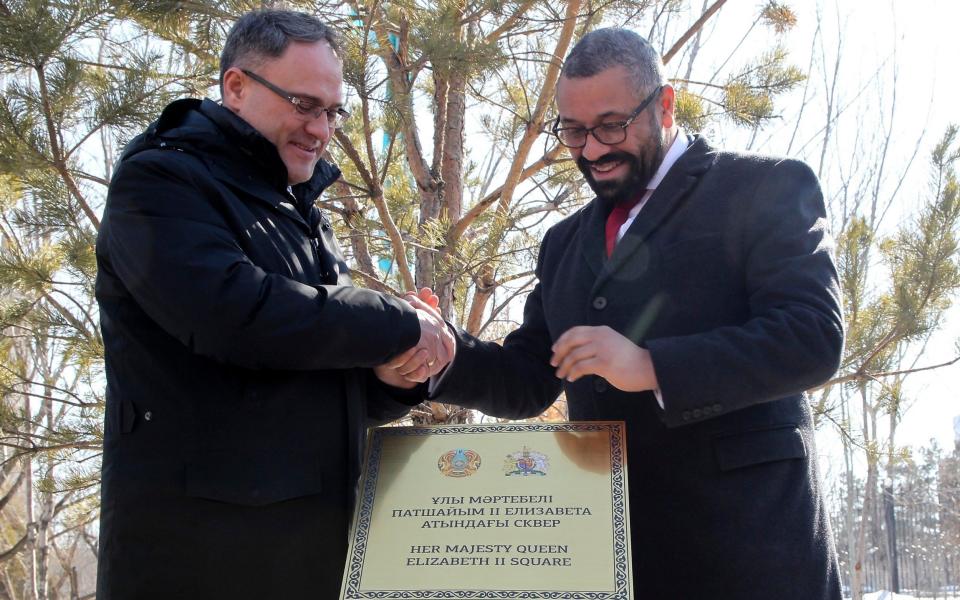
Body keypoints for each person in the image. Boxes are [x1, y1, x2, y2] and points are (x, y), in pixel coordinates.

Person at [418, 28, 845, 598]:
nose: (591, 149)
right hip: (614, 561)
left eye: (612, 125)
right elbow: (528, 377)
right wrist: (442, 357)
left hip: (750, 555)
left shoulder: (765, 186)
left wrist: (650, 365)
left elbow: (813, 335)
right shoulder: (563, 243)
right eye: (573, 131)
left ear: (664, 105)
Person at [94, 9, 453, 599]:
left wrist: (394, 376)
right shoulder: (159, 181)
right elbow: (238, 316)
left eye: (333, 111)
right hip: (201, 567)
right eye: (304, 104)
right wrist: (396, 322)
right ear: (236, 87)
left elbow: (319, 385)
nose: (322, 129)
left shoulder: (300, 219)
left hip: (308, 562)